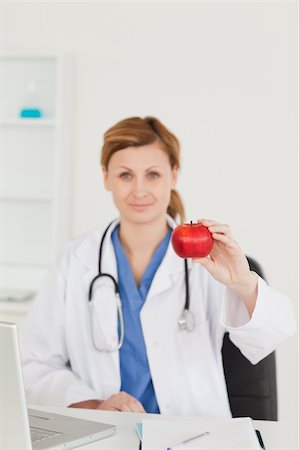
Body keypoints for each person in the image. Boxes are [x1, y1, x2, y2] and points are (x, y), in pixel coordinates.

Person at [20, 116, 296, 417]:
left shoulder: (206, 263)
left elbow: (272, 335)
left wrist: (242, 281)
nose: (139, 190)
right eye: (125, 175)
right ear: (106, 177)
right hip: (106, 433)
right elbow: (34, 363)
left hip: (194, 434)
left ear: (173, 175)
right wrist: (95, 406)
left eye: (153, 174)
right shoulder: (75, 260)